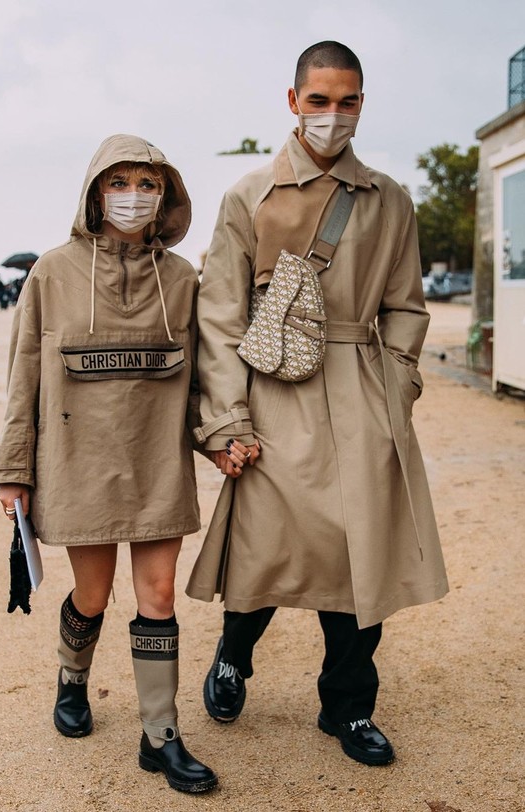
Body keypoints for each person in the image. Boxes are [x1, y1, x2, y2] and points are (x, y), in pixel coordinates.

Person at [186, 41, 449, 767]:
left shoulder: (391, 198)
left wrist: (397, 383)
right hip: (273, 394)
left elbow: (406, 306)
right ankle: (234, 658)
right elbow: (219, 316)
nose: (335, 115)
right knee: (269, 545)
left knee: (360, 554)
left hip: (363, 394)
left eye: (349, 100)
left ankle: (349, 707)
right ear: (293, 100)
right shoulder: (249, 196)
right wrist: (229, 420)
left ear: (362, 103)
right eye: (321, 100)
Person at [0, 134, 217, 794]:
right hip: (77, 459)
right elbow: (23, 376)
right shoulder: (52, 273)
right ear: (94, 191)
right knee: (92, 595)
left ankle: (161, 735)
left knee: (158, 596)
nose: (134, 196)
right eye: (120, 182)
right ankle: (72, 676)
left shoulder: (182, 280)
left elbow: (204, 377)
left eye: (149, 184)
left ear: (166, 196)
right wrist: (13, 469)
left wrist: (222, 437)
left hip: (155, 459)